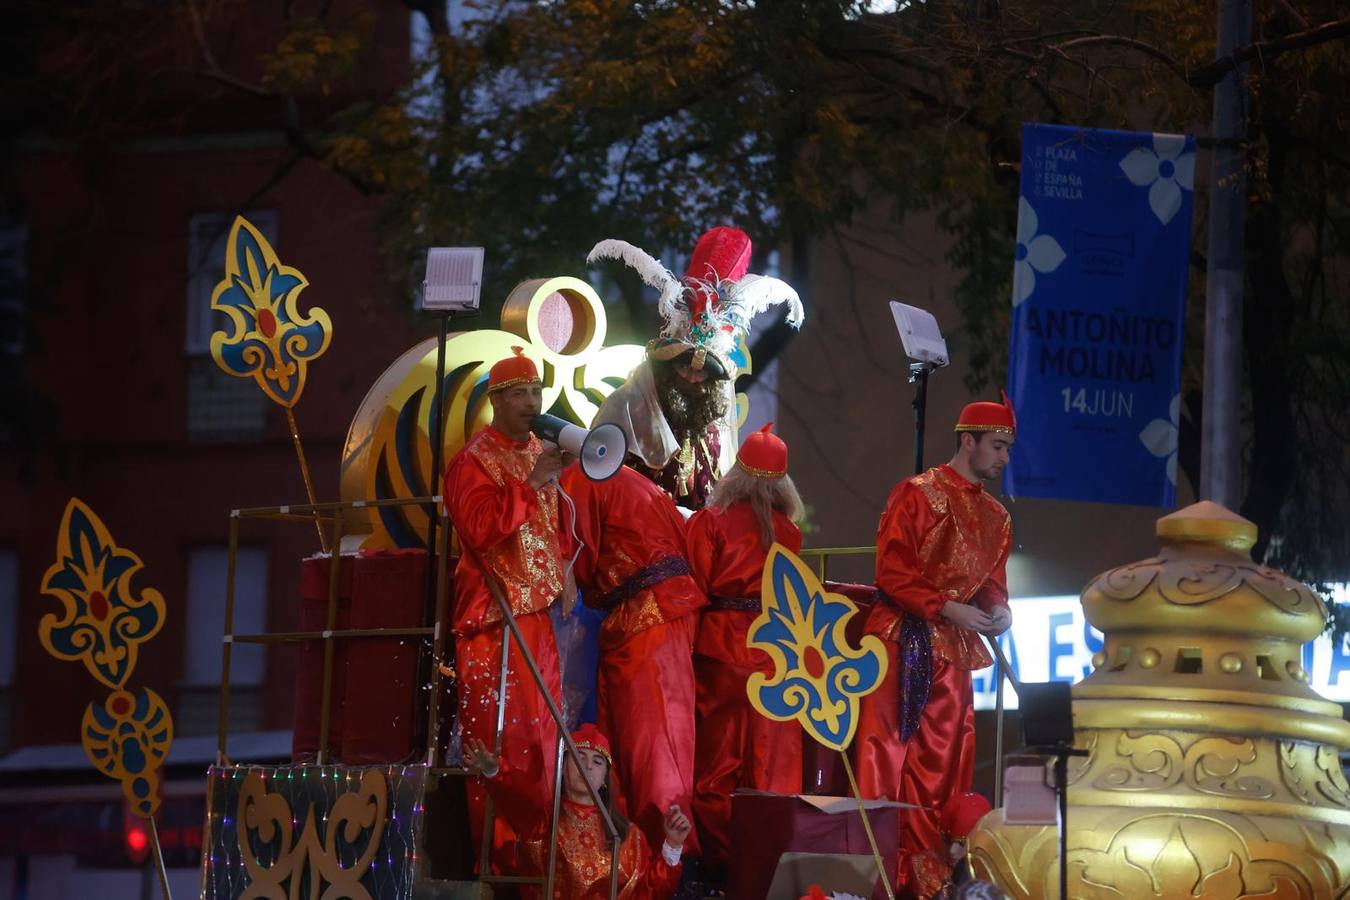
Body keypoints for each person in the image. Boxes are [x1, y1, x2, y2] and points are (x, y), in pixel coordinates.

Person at [853, 396, 1016, 898]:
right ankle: (875, 876)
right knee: (883, 754)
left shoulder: (997, 516)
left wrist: (1000, 609)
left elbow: (991, 582)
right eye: (997, 446)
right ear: (967, 441)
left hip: (954, 650)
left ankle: (931, 879)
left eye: (1009, 448)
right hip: (901, 640)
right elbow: (893, 569)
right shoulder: (917, 494)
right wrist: (945, 607)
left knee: (944, 764)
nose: (1004, 458)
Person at [442, 347, 571, 873]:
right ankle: (500, 867)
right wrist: (532, 481)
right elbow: (480, 528)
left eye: (537, 391)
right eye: (519, 393)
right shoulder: (472, 460)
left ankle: (546, 864)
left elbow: (556, 525)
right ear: (496, 400)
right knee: (505, 746)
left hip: (537, 618)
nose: (531, 402)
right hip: (494, 620)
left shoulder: (541, 449)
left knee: (546, 743)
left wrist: (565, 570)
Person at [588, 226, 803, 510]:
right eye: (683, 367)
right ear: (667, 365)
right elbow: (600, 481)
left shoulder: (714, 424)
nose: (691, 376)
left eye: (702, 372)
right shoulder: (629, 405)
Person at [556, 460, 707, 857]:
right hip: (651, 614)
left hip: (650, 614)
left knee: (652, 745)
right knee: (637, 743)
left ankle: (668, 858)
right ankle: (645, 856)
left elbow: (572, 556)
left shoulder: (579, 478)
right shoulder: (627, 479)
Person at [685, 423, 805, 877]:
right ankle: (763, 871)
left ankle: (720, 866)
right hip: (776, 653)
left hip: (723, 650)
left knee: (717, 767)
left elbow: (693, 589)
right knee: (770, 767)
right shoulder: (789, 533)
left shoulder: (710, 523)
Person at [471, 724, 692, 899]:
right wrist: (495, 771)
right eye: (579, 757)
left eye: (597, 762)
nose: (587, 766)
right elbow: (517, 798)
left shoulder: (630, 836)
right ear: (564, 767)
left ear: (605, 778)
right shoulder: (544, 820)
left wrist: (672, 845)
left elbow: (648, 894)